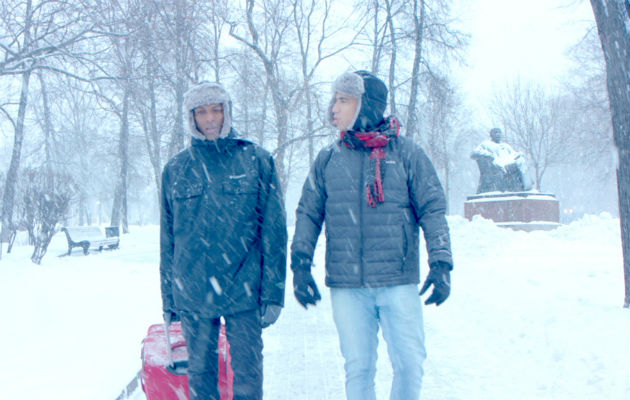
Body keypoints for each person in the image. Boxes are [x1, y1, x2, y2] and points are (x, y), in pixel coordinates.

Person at [290, 70, 453, 400]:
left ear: (366, 105)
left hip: (397, 281)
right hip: (348, 286)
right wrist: (300, 264)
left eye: (343, 99)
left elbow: (433, 209)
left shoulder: (407, 154)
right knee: (359, 367)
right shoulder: (328, 159)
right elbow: (308, 213)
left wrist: (441, 262)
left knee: (410, 364)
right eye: (334, 99)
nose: (333, 107)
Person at [160, 82, 287, 400]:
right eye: (201, 112)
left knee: (248, 375)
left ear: (227, 112)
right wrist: (168, 299)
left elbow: (273, 231)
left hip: (243, 288)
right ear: (192, 118)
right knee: (201, 378)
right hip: (193, 291)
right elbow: (167, 239)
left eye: (216, 109)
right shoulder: (176, 169)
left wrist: (273, 292)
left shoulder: (256, 160)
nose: (210, 118)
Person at [471, 127, 530, 193]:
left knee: (521, 161)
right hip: (495, 168)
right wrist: (487, 154)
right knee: (511, 168)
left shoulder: (505, 146)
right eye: (495, 133)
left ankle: (526, 187)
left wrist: (519, 155)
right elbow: (473, 154)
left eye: (499, 133)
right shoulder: (486, 144)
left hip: (508, 166)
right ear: (491, 135)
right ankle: (522, 187)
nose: (498, 134)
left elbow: (514, 154)